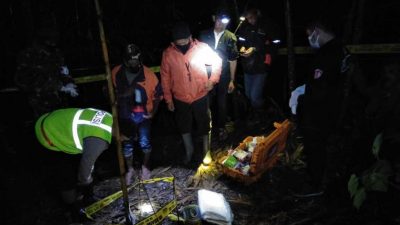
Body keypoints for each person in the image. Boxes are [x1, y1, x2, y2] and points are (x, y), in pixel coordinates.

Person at [289, 21, 349, 197]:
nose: (309, 39)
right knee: (322, 145)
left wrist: (301, 97)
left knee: (314, 146)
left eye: (310, 35)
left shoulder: (327, 54)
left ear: (318, 31)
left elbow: (319, 89)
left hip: (319, 111)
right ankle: (321, 177)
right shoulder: (341, 48)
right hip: (333, 106)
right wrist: (304, 88)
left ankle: (314, 184)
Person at [160, 21, 222, 165]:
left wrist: (212, 80)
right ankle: (189, 151)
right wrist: (168, 99)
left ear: (190, 37)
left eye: (184, 39)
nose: (182, 42)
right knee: (183, 125)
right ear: (174, 41)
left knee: (204, 123)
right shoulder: (168, 54)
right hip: (180, 97)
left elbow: (217, 62)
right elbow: (165, 77)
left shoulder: (201, 48)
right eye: (178, 40)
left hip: (200, 94)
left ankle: (206, 151)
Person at [34, 108, 113, 211]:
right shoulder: (99, 141)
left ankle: (85, 196)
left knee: (80, 167)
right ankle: (72, 208)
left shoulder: (109, 117)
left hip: (57, 120)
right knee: (66, 176)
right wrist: (86, 183)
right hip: (48, 133)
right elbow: (85, 169)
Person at [112, 44, 162, 183]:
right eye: (131, 60)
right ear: (125, 60)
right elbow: (112, 91)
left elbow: (158, 95)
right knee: (127, 143)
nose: (134, 63)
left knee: (144, 142)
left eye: (136, 59)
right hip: (125, 115)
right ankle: (130, 169)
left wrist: (153, 112)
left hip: (143, 115)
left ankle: (145, 167)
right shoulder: (116, 72)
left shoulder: (149, 75)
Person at [14, 26, 79, 119]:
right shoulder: (29, 55)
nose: (54, 42)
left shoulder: (56, 53)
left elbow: (63, 71)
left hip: (62, 105)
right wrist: (55, 85)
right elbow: (22, 80)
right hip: (41, 106)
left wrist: (69, 83)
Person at [199, 10, 239, 141]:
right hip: (206, 74)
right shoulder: (204, 35)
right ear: (213, 18)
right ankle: (205, 128)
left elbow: (233, 59)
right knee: (206, 101)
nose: (221, 24)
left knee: (222, 102)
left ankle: (221, 128)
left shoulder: (231, 37)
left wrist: (232, 80)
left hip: (224, 74)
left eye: (224, 22)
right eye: (218, 20)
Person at [236, 8, 271, 122]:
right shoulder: (245, 28)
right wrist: (242, 49)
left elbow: (269, 44)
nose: (249, 20)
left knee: (255, 97)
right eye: (247, 18)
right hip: (247, 68)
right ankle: (256, 115)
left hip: (260, 68)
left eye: (251, 17)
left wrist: (255, 49)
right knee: (248, 95)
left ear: (256, 15)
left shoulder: (265, 26)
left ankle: (263, 114)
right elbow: (241, 41)